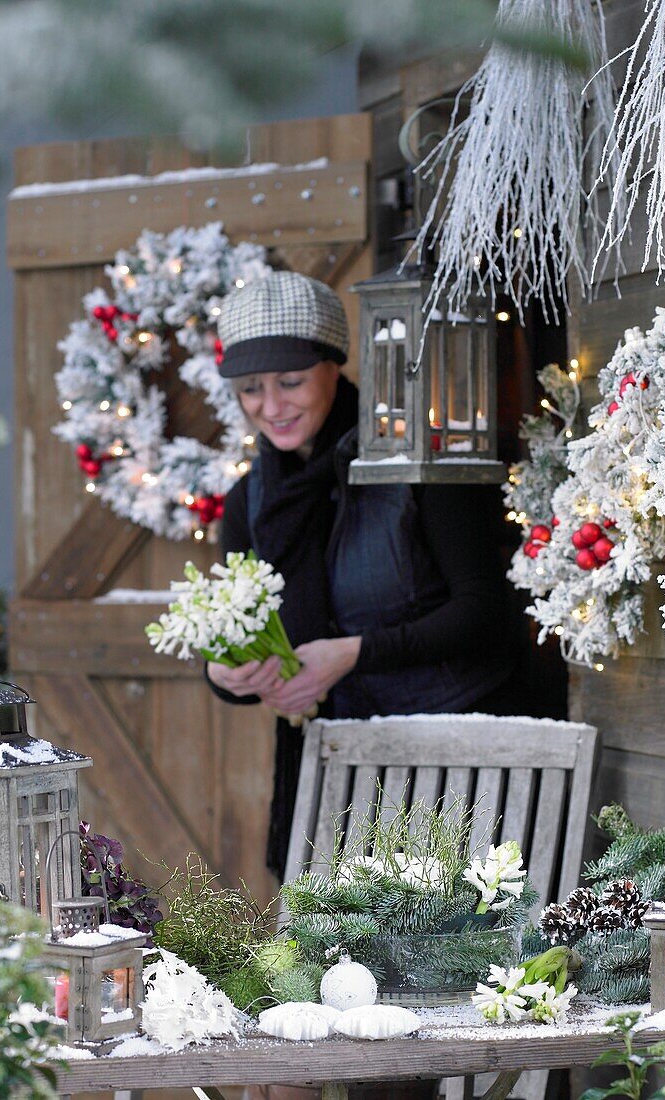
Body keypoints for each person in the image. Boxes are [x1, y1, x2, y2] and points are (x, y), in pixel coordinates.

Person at [206, 270, 520, 878]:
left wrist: (354, 653)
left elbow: (488, 612)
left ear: (335, 366)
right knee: (327, 965)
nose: (271, 407)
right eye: (250, 389)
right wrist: (226, 674)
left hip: (453, 758)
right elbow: (240, 634)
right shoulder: (250, 502)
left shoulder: (413, 463)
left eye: (291, 381)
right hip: (331, 769)